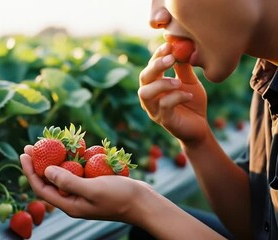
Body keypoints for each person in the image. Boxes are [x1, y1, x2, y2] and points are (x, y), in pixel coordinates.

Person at [19, 0, 278, 239]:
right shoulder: (268, 72)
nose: (155, 17)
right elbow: (260, 224)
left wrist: (139, 204)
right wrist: (197, 140)